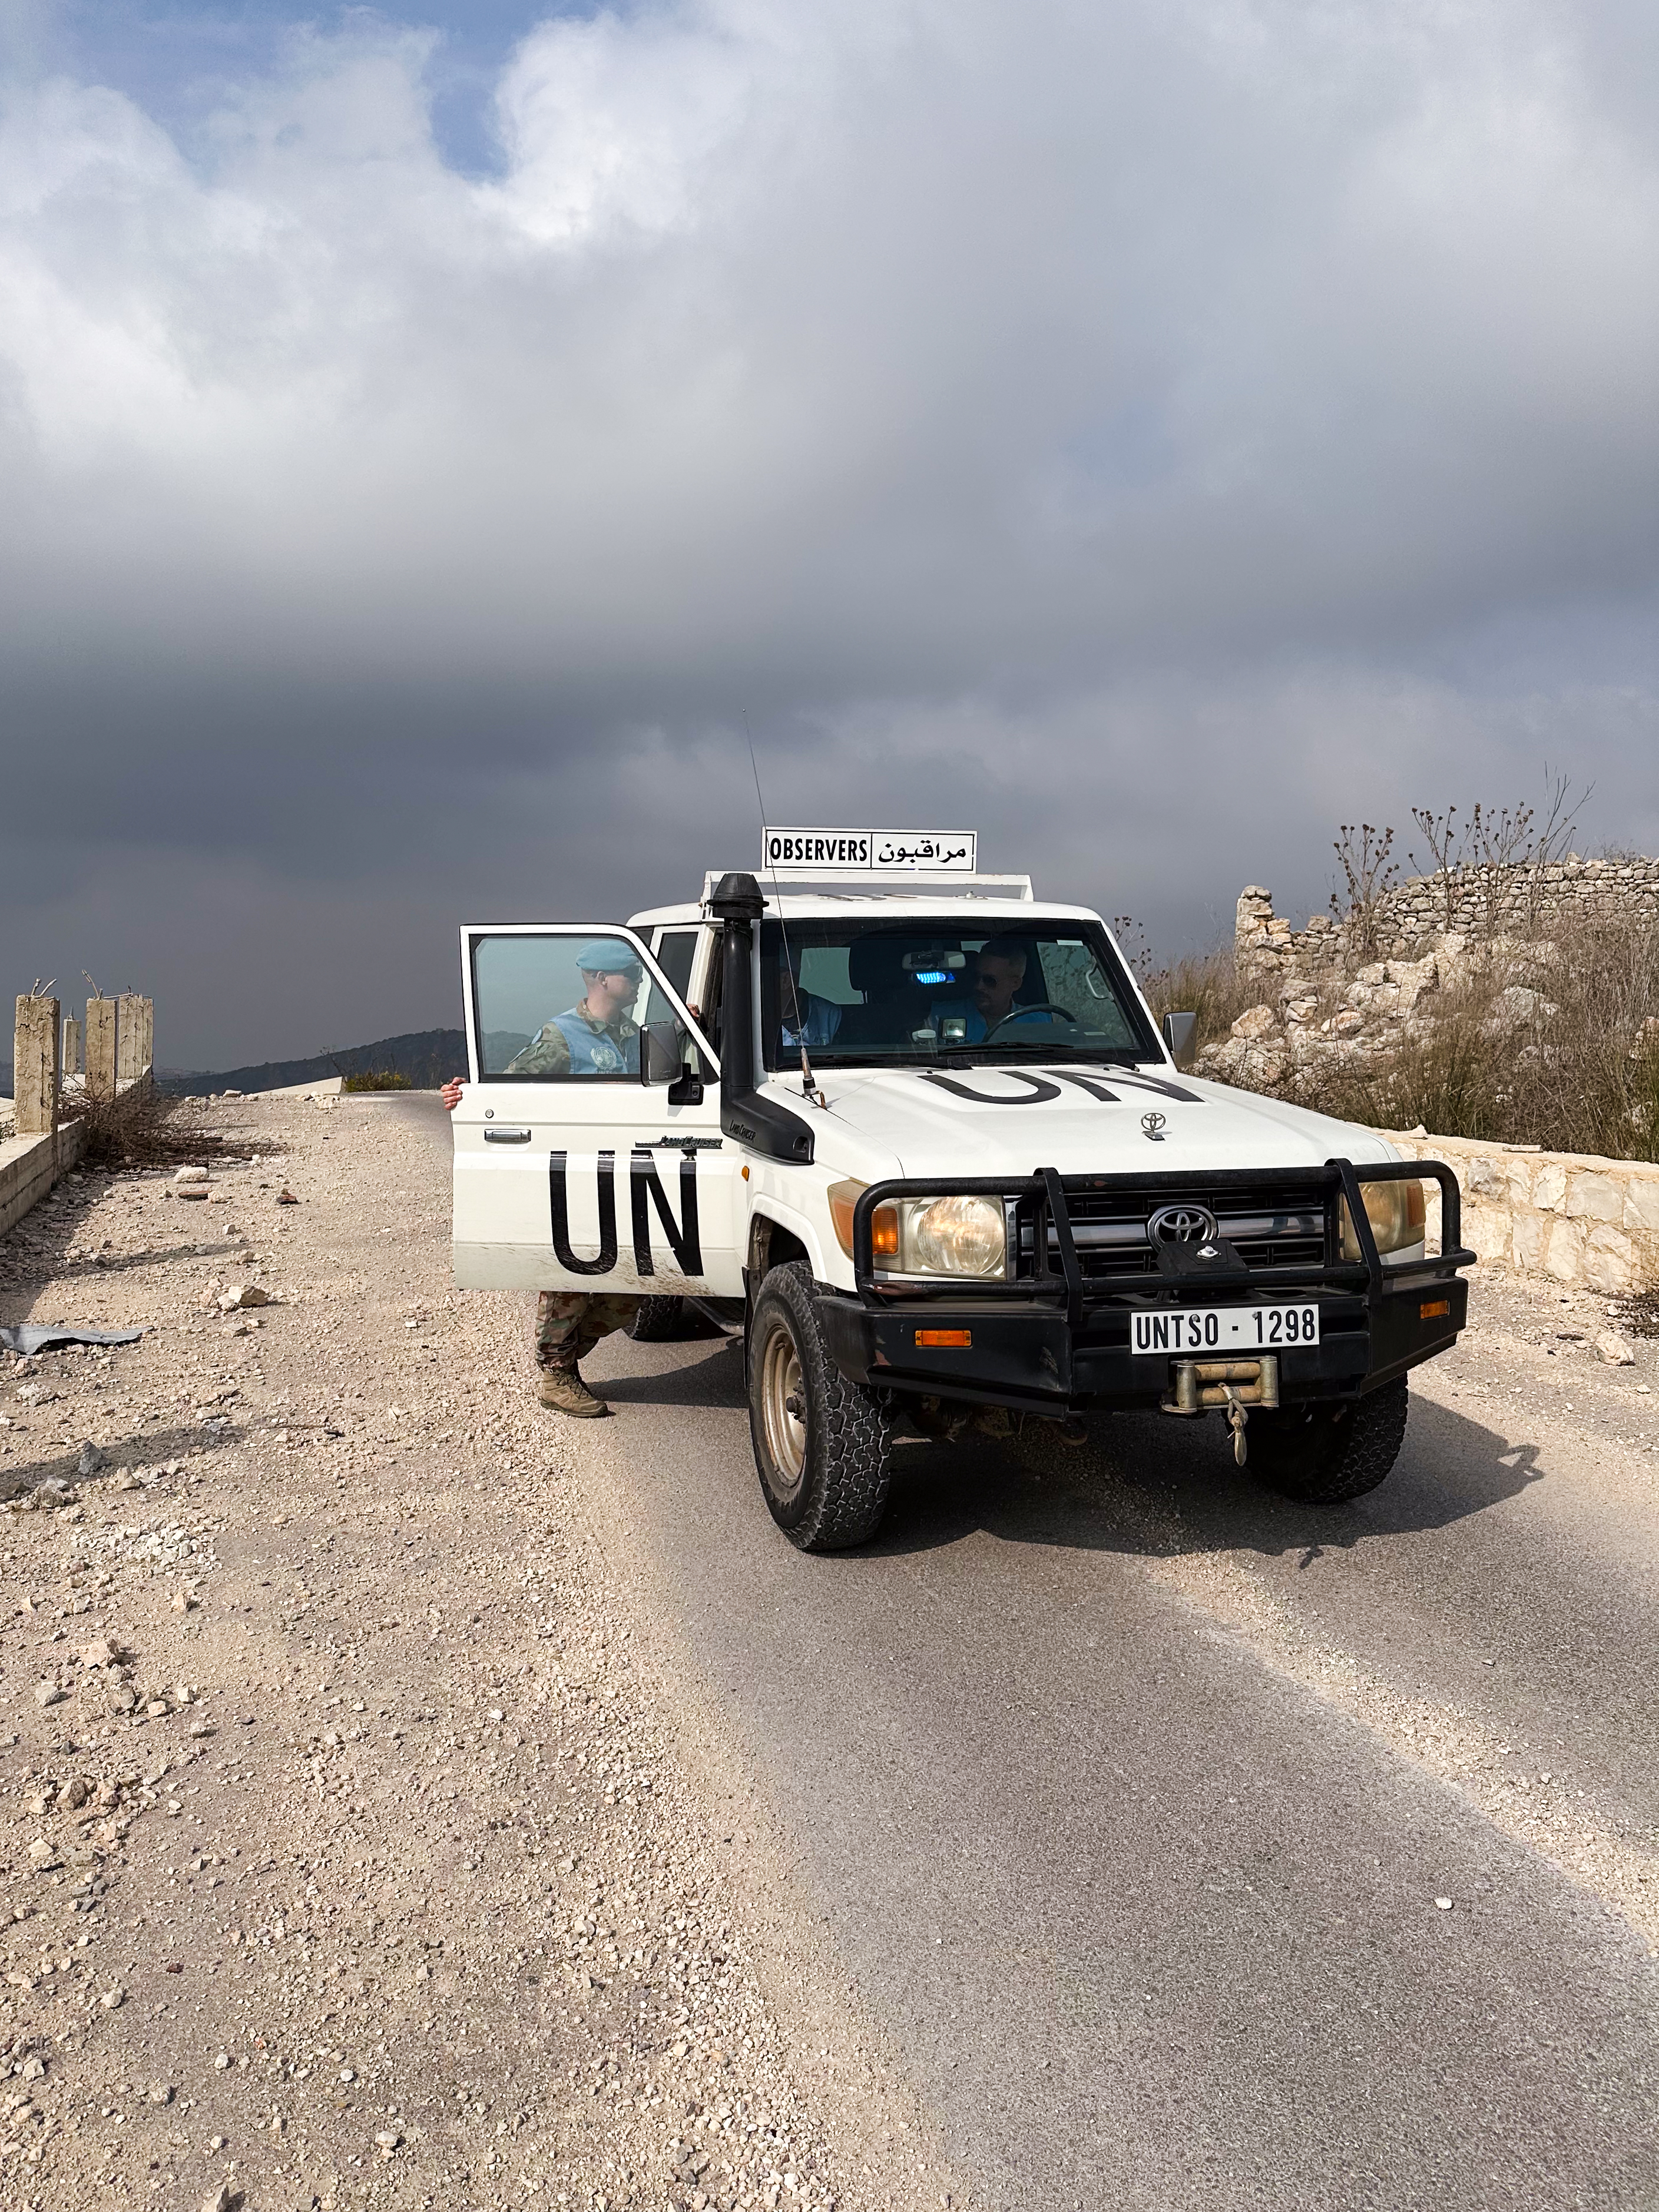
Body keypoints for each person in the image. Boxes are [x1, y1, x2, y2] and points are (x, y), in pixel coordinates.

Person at [439, 936, 647, 1419]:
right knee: (567, 1279)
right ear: (601, 979)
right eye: (632, 975)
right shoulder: (562, 1036)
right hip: (573, 1175)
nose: (638, 982)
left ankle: (564, 1356)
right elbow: (511, 1085)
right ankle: (556, 1374)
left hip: (622, 1172)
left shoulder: (631, 1034)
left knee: (634, 1288)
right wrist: (465, 1095)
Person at [929, 937, 1044, 1044]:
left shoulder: (1041, 1023)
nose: (979, 987)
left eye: (989, 980)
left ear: (1015, 984)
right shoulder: (938, 1017)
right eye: (976, 977)